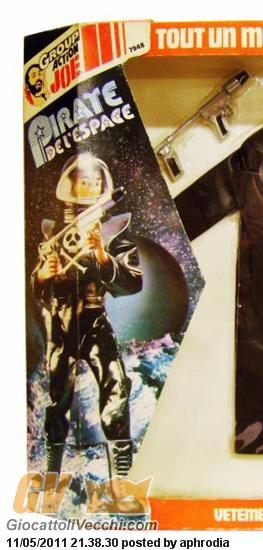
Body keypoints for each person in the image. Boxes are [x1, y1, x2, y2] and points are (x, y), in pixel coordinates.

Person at [31, 153, 142, 478]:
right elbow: (36, 287)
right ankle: (52, 468)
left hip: (95, 321)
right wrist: (44, 275)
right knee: (58, 398)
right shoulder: (52, 232)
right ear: (70, 185)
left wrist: (103, 257)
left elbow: (133, 281)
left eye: (95, 182)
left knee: (115, 388)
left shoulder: (114, 230)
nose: (91, 187)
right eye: (84, 182)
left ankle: (121, 472)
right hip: (61, 325)